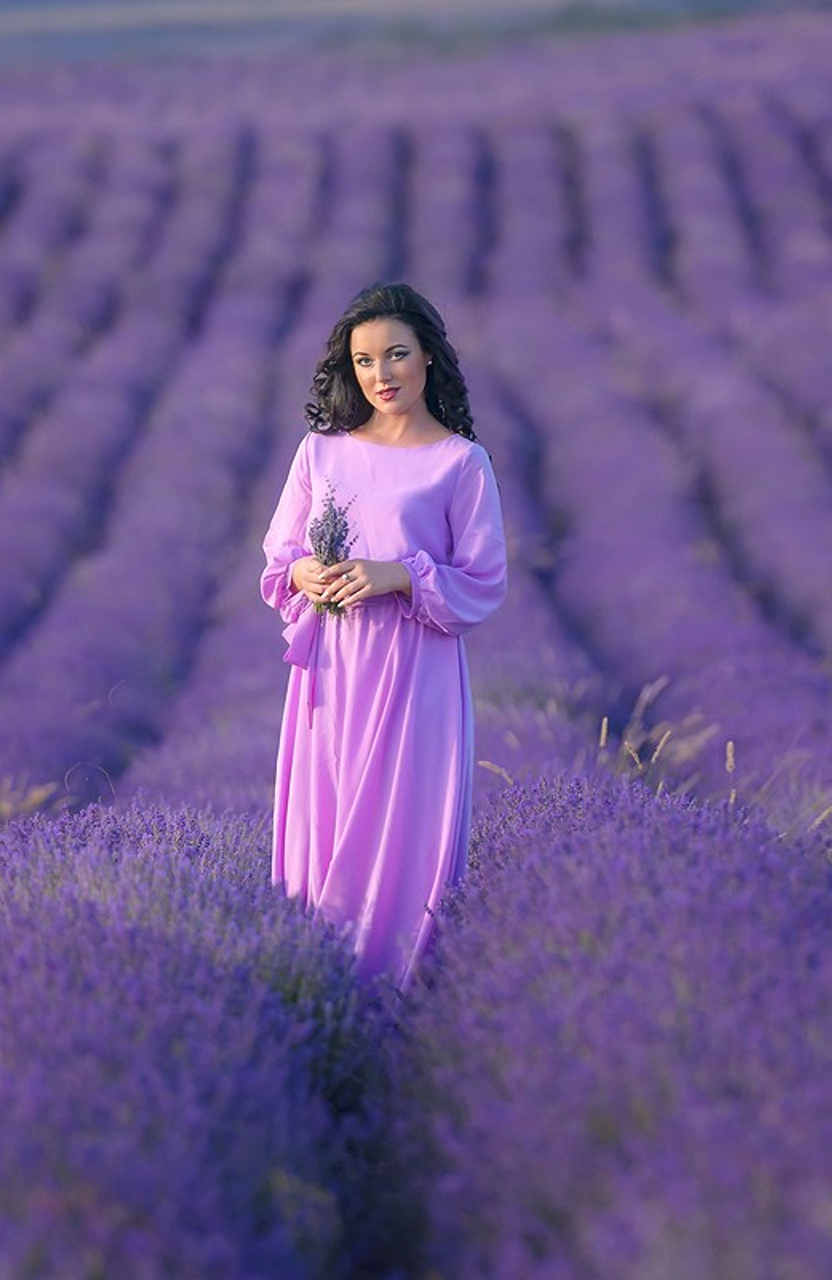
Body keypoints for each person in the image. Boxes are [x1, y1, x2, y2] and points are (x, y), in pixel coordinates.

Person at [259, 282, 507, 991]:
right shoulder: (320, 452)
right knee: (325, 827)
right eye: (364, 361)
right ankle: (316, 988)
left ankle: (396, 999)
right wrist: (307, 570)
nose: (381, 375)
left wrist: (398, 574)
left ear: (428, 357)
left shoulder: (461, 463)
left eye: (396, 354)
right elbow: (279, 558)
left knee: (404, 834)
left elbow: (484, 581)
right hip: (328, 674)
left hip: (413, 670)